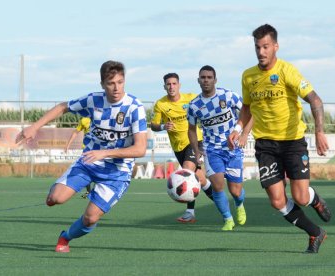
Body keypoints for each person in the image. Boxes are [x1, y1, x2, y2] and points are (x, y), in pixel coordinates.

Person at [16, 60, 147, 253]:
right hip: (88, 163)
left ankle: (65, 237)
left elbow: (140, 149)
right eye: (111, 83)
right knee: (56, 199)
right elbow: (63, 107)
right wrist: (35, 127)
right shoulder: (93, 100)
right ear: (102, 84)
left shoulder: (134, 107)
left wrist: (105, 153)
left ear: (124, 81)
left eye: (120, 82)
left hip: (117, 173)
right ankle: (57, 193)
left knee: (91, 218)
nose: (116, 88)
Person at [228, 24, 331, 253]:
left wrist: (319, 131)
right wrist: (238, 127)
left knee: (300, 197)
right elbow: (247, 107)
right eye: (257, 47)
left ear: (275, 46)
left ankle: (314, 199)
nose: (261, 52)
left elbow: (315, 100)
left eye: (265, 46)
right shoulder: (248, 76)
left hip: (293, 142)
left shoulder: (288, 71)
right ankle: (315, 233)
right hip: (266, 145)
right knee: (277, 201)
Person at [188, 65, 252, 231]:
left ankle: (239, 204)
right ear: (198, 80)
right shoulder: (194, 105)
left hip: (233, 148)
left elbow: (250, 112)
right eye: (203, 77)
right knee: (217, 185)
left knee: (236, 191)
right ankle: (228, 219)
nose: (206, 80)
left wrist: (244, 134)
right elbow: (191, 130)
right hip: (212, 150)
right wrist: (196, 151)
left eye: (209, 77)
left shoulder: (228, 96)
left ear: (215, 80)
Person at [151, 73, 213, 223]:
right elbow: (153, 125)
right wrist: (163, 126)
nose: (171, 87)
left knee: (187, 172)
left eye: (174, 84)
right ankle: (222, 202)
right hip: (178, 147)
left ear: (179, 85)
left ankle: (190, 213)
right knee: (202, 180)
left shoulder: (191, 98)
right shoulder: (161, 104)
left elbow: (207, 107)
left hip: (194, 142)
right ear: (164, 86)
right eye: (168, 84)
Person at [65, 117, 92, 198]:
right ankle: (89, 191)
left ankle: (98, 192)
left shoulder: (102, 116)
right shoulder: (84, 120)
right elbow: (75, 132)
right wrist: (68, 145)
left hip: (100, 150)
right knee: (87, 171)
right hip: (87, 149)